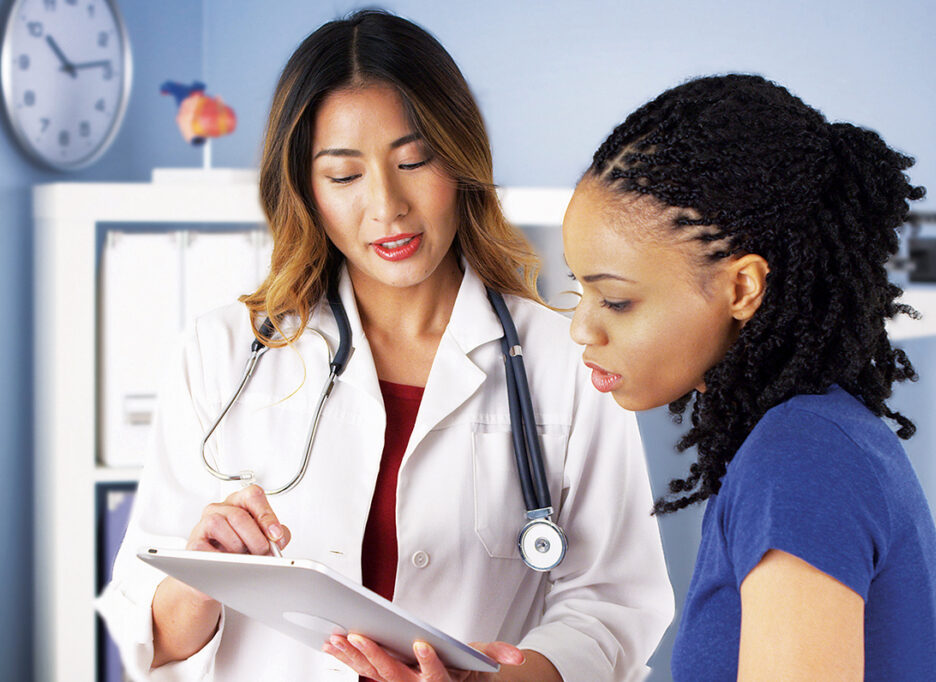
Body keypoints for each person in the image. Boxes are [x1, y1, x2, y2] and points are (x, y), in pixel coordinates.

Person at [98, 10, 673, 682]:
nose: (387, 206)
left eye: (414, 160)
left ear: (459, 160)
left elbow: (613, 604)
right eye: (345, 176)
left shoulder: (566, 357)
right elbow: (149, 634)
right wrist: (203, 576)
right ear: (305, 189)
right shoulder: (223, 351)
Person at [562, 74, 936, 680]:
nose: (583, 328)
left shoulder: (801, 460)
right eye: (577, 289)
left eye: (615, 301)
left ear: (742, 287)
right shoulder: (807, 440)